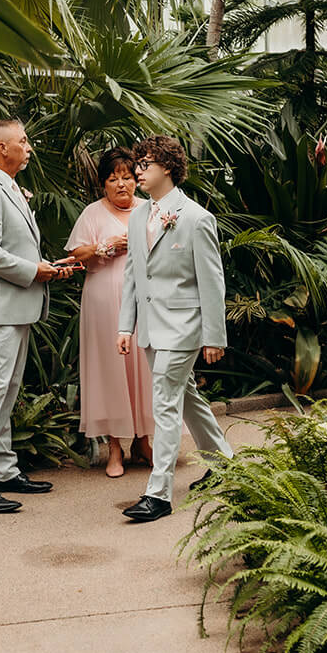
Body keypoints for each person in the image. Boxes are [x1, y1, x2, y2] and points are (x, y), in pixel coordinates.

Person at [117, 135, 234, 523]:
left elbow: (212, 282)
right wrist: (125, 325)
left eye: (145, 164)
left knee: (165, 403)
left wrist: (214, 336)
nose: (137, 171)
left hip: (184, 327)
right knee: (185, 396)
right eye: (137, 164)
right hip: (151, 328)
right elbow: (133, 274)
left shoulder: (197, 219)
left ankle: (158, 494)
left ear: (167, 167)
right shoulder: (138, 216)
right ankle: (226, 463)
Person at [0, 119, 74, 514]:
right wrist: (33, 271)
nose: (29, 148)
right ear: (1, 149)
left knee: (6, 391)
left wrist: (44, 267)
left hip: (13, 307)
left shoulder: (8, 187)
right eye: (23, 142)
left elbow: (13, 245)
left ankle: (3, 470)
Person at [65, 147, 154, 477]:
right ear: (103, 183)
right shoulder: (92, 213)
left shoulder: (150, 209)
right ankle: (114, 447)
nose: (121, 185)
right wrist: (106, 246)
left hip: (144, 301)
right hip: (104, 301)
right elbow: (76, 254)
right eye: (113, 179)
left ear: (136, 180)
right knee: (112, 369)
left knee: (144, 367)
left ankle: (143, 442)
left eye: (127, 177)